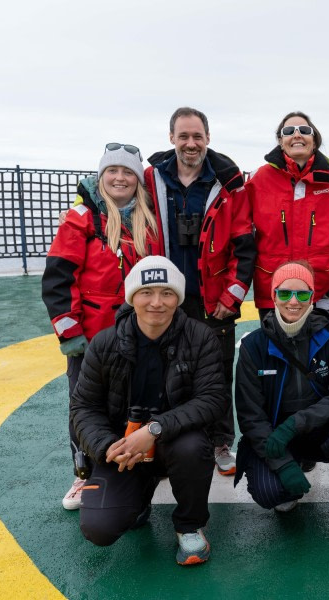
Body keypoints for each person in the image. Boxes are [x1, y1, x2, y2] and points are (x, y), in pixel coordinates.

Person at [70, 255, 227, 566]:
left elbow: (212, 399)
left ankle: (189, 525)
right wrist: (107, 447)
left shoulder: (200, 337)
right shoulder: (104, 343)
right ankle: (139, 497)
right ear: (132, 297)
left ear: (178, 298)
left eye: (167, 293)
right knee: (100, 529)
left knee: (192, 448)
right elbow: (84, 407)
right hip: (123, 447)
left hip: (174, 441)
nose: (157, 302)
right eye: (147, 292)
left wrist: (155, 430)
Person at [42, 143, 163, 510]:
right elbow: (58, 279)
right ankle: (84, 474)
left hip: (138, 334)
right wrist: (70, 334)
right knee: (85, 405)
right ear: (101, 176)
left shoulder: (147, 220)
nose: (120, 178)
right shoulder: (80, 218)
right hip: (91, 338)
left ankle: (134, 463)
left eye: (128, 172)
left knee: (135, 401)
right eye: (113, 171)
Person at [144, 107, 257, 477]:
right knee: (163, 375)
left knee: (217, 374)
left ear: (208, 138)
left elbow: (245, 248)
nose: (190, 143)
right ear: (171, 138)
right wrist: (79, 204)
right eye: (183, 136)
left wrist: (231, 298)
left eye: (197, 136)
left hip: (213, 302)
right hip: (164, 300)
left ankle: (221, 442)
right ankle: (167, 445)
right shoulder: (151, 178)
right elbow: (112, 192)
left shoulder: (229, 183)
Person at [233, 261, 329, 547]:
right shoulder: (254, 346)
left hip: (319, 430)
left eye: (302, 294)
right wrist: (282, 464)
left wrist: (296, 423)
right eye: (285, 293)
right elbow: (250, 416)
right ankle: (291, 477)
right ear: (273, 296)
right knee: (270, 493)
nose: (293, 302)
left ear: (312, 297)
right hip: (276, 437)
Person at [246, 111, 329, 319]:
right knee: (275, 340)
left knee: (322, 338)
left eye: (304, 130)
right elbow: (239, 228)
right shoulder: (258, 180)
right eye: (289, 131)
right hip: (274, 285)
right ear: (281, 141)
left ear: (314, 141)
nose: (297, 135)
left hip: (320, 284)